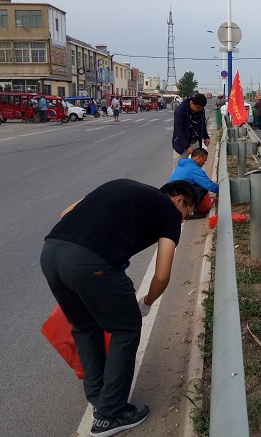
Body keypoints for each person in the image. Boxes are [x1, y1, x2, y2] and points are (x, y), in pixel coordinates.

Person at [40, 179, 197, 437]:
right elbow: (162, 275)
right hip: (89, 264)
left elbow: (66, 213)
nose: (182, 221)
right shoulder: (169, 211)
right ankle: (110, 414)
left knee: (84, 327)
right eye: (186, 215)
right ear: (179, 199)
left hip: (51, 253)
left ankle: (99, 397)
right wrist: (147, 302)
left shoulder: (121, 186)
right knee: (127, 327)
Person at [168, 148, 219, 219]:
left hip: (171, 194)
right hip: (178, 196)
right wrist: (223, 190)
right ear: (199, 157)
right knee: (202, 187)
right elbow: (209, 185)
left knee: (198, 185)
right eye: (204, 160)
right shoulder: (193, 169)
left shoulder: (185, 164)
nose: (203, 164)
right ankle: (191, 212)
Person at [172, 93, 210, 169]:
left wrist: (206, 136)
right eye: (197, 108)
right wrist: (187, 146)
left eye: (201, 108)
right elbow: (179, 130)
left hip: (196, 142)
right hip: (182, 145)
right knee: (179, 168)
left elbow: (202, 124)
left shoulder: (201, 110)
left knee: (196, 167)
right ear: (192, 103)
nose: (199, 110)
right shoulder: (180, 110)